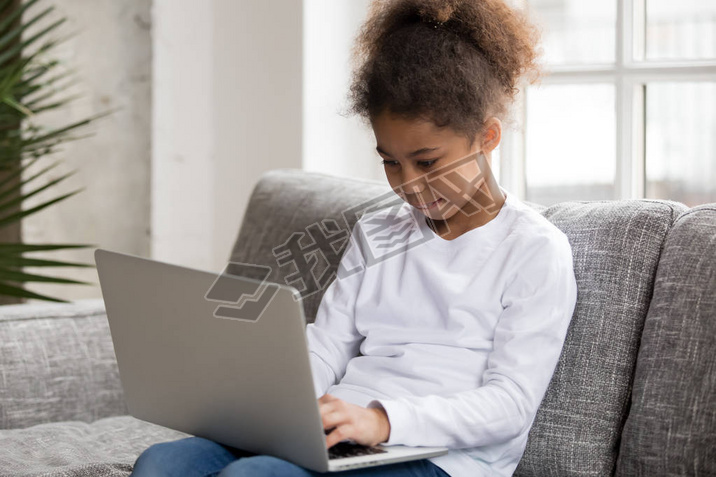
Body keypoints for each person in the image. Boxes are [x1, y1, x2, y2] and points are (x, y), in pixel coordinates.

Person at [130, 0, 578, 476]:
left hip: (438, 457)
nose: (407, 184)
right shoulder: (378, 231)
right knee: (164, 462)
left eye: (427, 162)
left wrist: (382, 421)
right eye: (390, 161)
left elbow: (510, 405)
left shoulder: (533, 250)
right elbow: (328, 343)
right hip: (342, 432)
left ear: (487, 137)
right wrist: (273, 400)